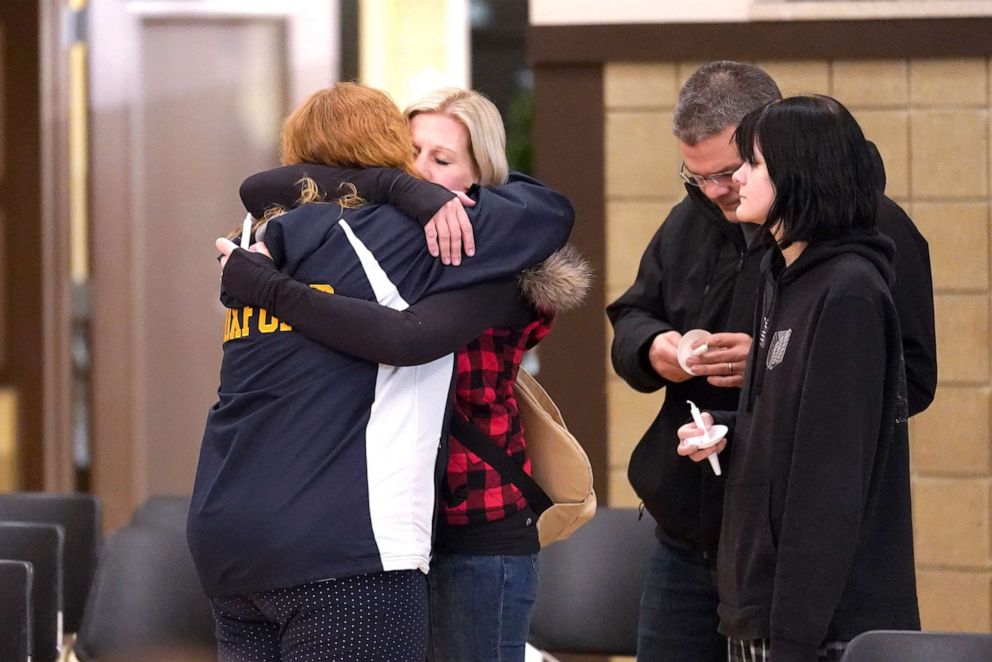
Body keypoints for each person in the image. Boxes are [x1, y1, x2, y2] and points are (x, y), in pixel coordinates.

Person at [187, 83, 574, 662]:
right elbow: (553, 214)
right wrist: (398, 192)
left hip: (235, 536)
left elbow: (261, 187)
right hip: (345, 547)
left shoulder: (253, 239)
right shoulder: (404, 239)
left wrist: (390, 187)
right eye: (409, 155)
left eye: (440, 161)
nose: (421, 172)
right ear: (389, 149)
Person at [606, 61, 936, 662]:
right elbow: (631, 320)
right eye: (695, 176)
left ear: (778, 152)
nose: (716, 192)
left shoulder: (863, 249)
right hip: (695, 521)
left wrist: (776, 365)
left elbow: (901, 378)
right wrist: (668, 351)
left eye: (735, 170)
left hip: (790, 541)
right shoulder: (692, 221)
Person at [677, 94, 921, 661]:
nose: (737, 176)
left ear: (800, 176)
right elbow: (789, 425)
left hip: (823, 627)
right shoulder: (778, 274)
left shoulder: (850, 293)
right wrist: (729, 430)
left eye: (754, 163)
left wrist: (793, 638)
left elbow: (830, 480)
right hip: (761, 606)